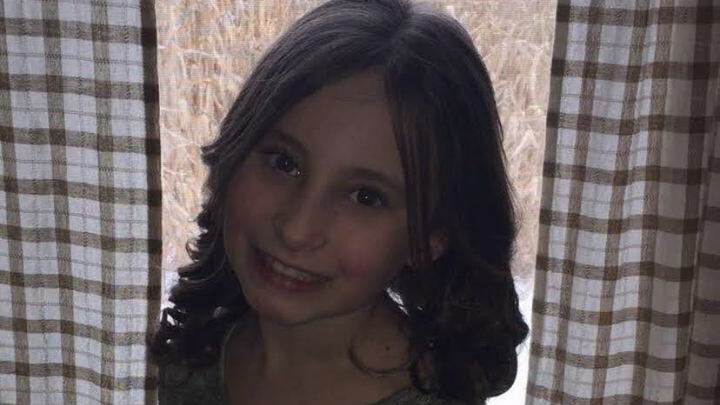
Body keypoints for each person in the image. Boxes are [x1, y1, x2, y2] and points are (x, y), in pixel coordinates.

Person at [147, 0, 529, 404]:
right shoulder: (176, 365)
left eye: (366, 197)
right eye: (284, 163)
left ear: (430, 238)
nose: (297, 230)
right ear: (233, 152)